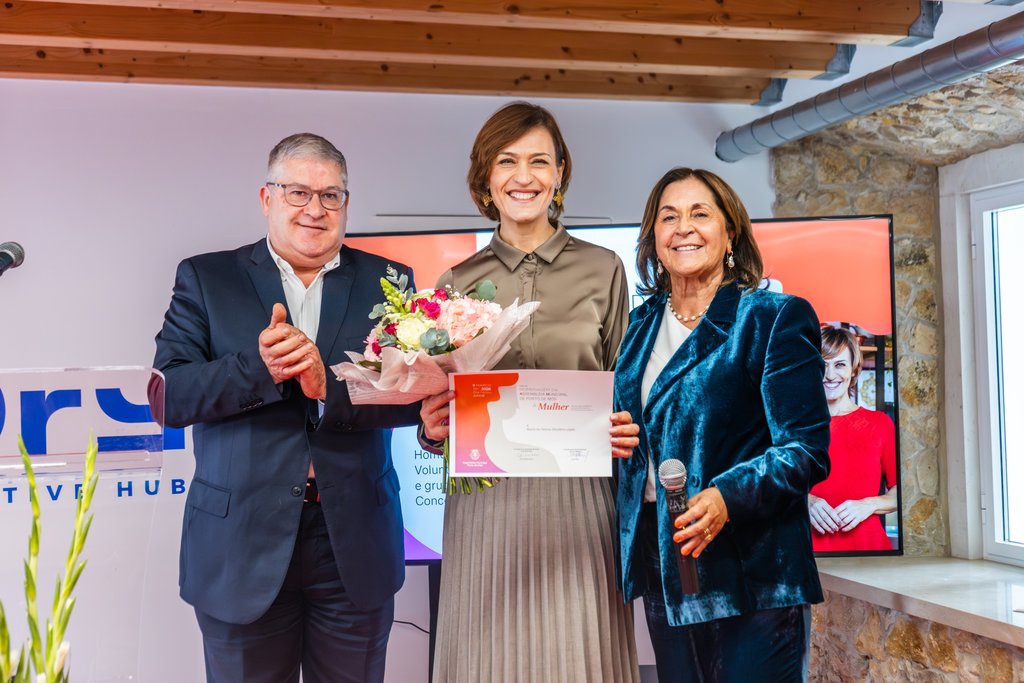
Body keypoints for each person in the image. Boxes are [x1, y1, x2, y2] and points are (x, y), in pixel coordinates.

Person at [152, 133, 420, 683]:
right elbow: (169, 397)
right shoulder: (206, 278)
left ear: (347, 203)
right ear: (266, 198)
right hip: (241, 543)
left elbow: (410, 399)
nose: (315, 210)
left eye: (331, 196)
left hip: (353, 541)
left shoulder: (389, 282)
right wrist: (259, 368)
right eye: (298, 192)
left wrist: (330, 387)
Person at [418, 102, 642, 682]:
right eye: (507, 161)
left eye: (540, 161)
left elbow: (628, 385)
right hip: (487, 503)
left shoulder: (604, 269)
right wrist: (431, 426)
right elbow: (440, 401)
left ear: (560, 172)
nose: (525, 176)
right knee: (488, 661)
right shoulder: (456, 282)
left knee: (580, 657)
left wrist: (625, 425)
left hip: (580, 503)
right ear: (486, 178)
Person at [614, 167, 831, 682]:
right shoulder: (636, 326)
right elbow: (642, 431)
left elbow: (805, 449)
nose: (683, 227)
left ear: (729, 231)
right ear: (653, 237)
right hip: (668, 570)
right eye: (668, 217)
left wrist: (725, 497)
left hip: (752, 576)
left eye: (699, 214)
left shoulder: (774, 317)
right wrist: (616, 439)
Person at [808, 325, 898, 552]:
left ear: (854, 371)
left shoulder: (880, 424)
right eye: (822, 365)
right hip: (805, 550)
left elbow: (901, 494)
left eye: (839, 365)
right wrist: (806, 502)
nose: (829, 375)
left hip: (868, 549)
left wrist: (868, 505)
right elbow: (770, 490)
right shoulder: (793, 427)